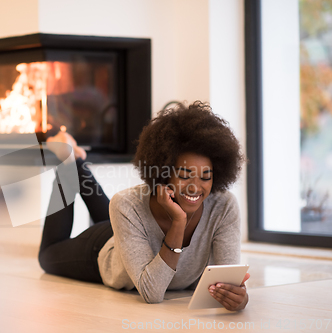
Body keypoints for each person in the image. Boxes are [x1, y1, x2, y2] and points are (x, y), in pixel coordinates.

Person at [38, 101, 249, 310]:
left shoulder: (224, 206)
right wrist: (178, 222)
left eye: (206, 177)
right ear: (163, 172)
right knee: (47, 256)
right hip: (103, 248)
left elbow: (226, 282)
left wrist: (239, 298)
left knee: (118, 212)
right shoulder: (127, 205)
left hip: (132, 229)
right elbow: (152, 293)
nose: (195, 187)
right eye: (185, 176)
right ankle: (67, 161)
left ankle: (74, 161)